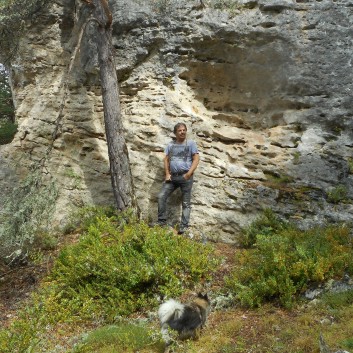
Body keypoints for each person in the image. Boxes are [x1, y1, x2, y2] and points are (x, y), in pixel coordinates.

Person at [157, 123, 200, 234]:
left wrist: (189, 173)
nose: (182, 132)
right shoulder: (171, 145)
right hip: (172, 177)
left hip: (186, 177)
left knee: (186, 203)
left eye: (184, 130)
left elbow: (196, 159)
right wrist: (167, 173)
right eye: (180, 130)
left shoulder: (191, 144)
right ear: (175, 133)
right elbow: (166, 159)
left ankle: (184, 227)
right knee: (161, 196)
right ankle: (161, 222)